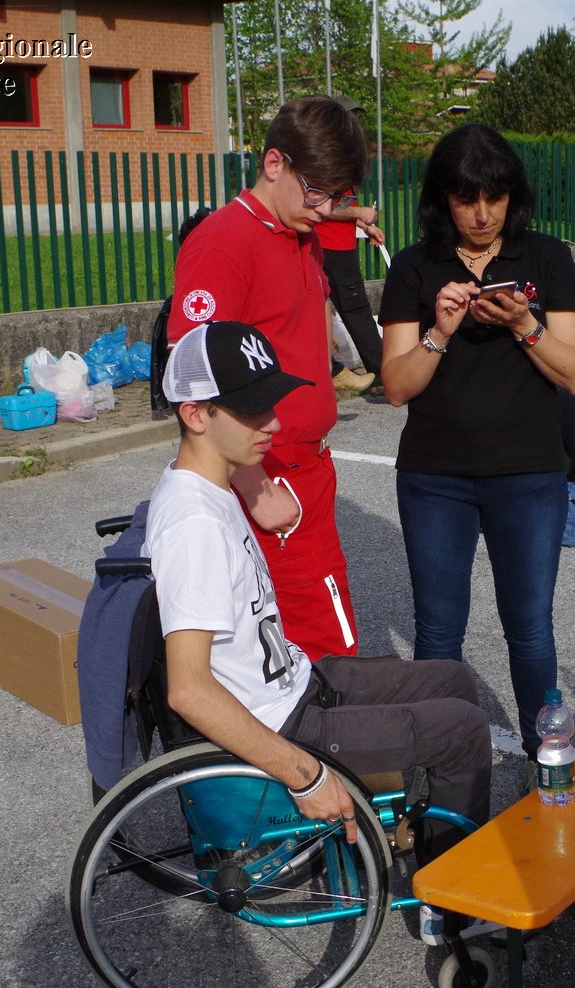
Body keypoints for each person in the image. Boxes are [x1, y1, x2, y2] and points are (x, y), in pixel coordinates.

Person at [145, 318, 490, 857]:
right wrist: (305, 775)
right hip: (281, 720)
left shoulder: (214, 489)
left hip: (294, 683)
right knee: (463, 730)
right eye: (252, 408)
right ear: (195, 414)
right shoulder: (195, 525)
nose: (274, 423)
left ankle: (422, 835)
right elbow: (188, 689)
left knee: (452, 679)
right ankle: (455, 905)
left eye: (272, 403)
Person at [378, 123, 575, 762]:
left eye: (494, 199)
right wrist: (440, 329)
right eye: (466, 199)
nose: (480, 214)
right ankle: (443, 771)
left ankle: (544, 756)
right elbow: (395, 386)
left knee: (529, 630)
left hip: (527, 474)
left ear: (512, 198)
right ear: (442, 199)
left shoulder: (544, 259)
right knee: (439, 634)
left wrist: (525, 323)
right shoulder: (417, 266)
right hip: (435, 478)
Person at [166, 95, 366, 661]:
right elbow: (193, 372)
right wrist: (255, 487)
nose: (327, 209)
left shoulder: (300, 234)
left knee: (294, 645)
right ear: (274, 163)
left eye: (338, 196)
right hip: (269, 469)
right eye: (317, 191)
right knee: (327, 648)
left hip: (305, 467)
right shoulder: (223, 243)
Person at [316, 94, 386, 393]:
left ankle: (342, 373)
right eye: (350, 116)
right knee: (354, 310)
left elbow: (335, 207)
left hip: (338, 243)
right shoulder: (325, 159)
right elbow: (318, 205)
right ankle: (383, 376)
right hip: (328, 246)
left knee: (338, 309)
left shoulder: (341, 157)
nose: (355, 122)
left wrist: (363, 225)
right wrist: (357, 212)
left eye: (356, 116)